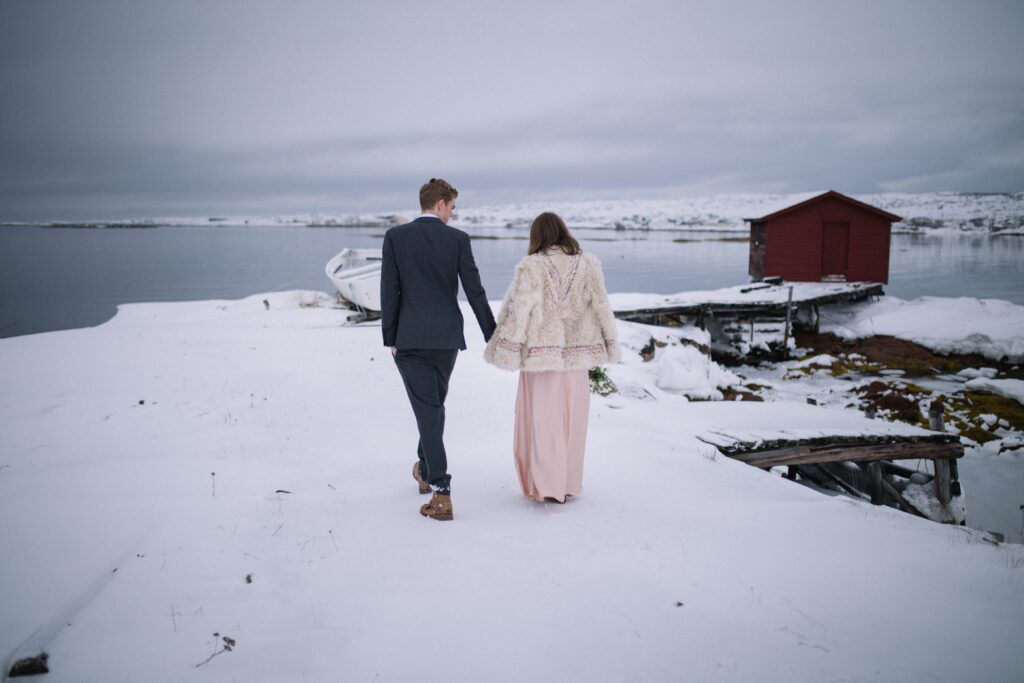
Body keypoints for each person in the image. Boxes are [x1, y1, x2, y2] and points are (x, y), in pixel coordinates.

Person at [381, 178, 496, 521]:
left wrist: (391, 337)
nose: (453, 215)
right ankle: (425, 468)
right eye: (453, 207)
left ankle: (440, 490)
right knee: (432, 407)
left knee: (430, 409)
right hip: (445, 339)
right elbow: (475, 291)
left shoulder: (396, 237)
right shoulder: (457, 240)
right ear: (441, 204)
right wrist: (492, 334)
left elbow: (390, 291)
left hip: (411, 339)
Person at [484, 212, 620, 503]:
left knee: (542, 421)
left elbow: (520, 311)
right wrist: (609, 344)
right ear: (562, 232)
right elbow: (602, 305)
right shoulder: (588, 264)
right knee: (573, 420)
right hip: (577, 359)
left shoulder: (531, 266)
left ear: (537, 236)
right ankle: (568, 483)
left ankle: (546, 485)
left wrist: (506, 348)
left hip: (539, 359)